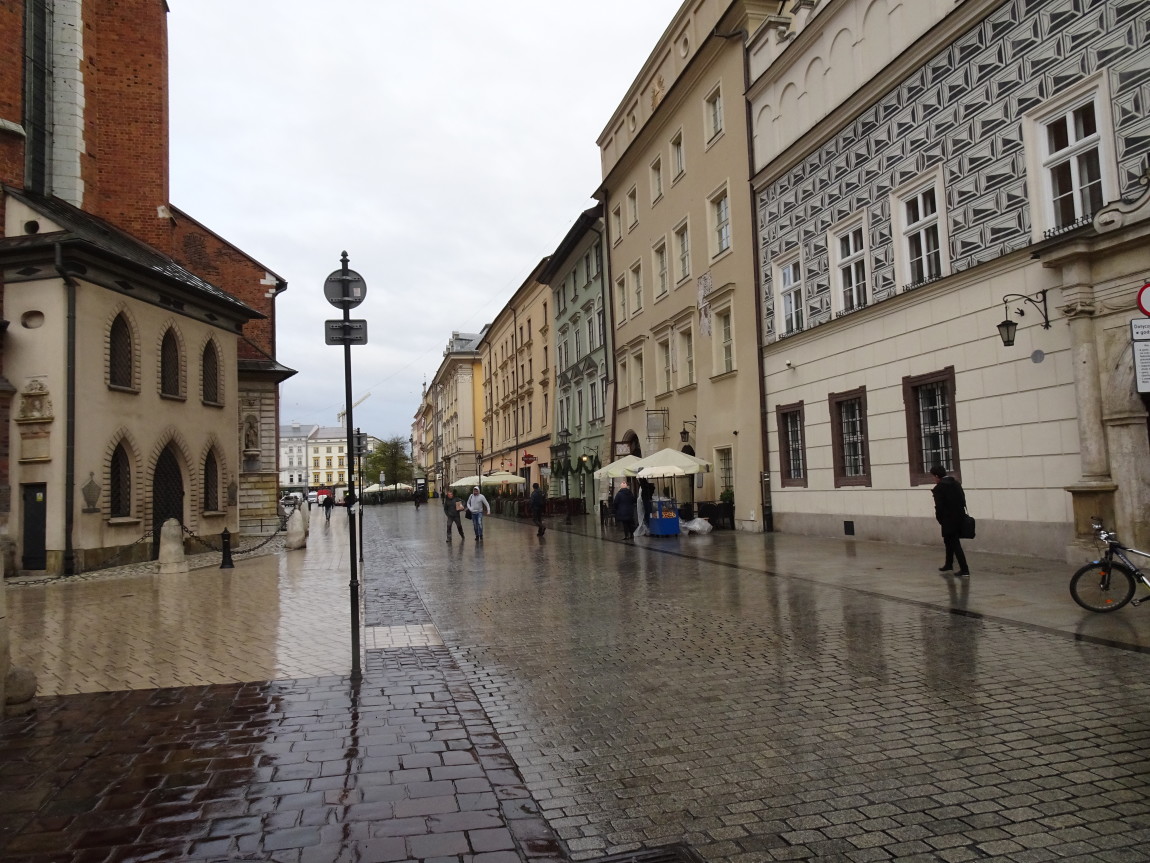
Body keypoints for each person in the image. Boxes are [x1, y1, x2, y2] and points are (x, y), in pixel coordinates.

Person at [930, 463, 969, 577]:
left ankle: (964, 569)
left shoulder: (939, 488)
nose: (933, 479)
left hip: (948, 519)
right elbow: (963, 500)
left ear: (937, 476)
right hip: (959, 516)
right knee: (948, 541)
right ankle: (949, 564)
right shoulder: (956, 484)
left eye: (933, 477)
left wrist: (940, 519)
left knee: (955, 543)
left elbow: (939, 507)